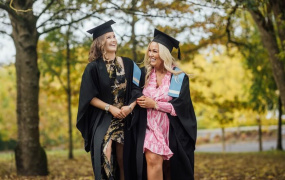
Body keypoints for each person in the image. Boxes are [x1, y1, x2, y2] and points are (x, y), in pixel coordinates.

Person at [76, 20, 142, 180]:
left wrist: (130, 107)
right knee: (105, 152)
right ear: (100, 43)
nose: (113, 40)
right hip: (104, 118)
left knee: (123, 159)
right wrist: (110, 108)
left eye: (114, 36)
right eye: (108, 37)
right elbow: (88, 96)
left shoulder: (129, 64)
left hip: (126, 117)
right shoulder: (93, 68)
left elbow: (138, 89)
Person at [128, 29, 197, 180]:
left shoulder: (179, 78)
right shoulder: (142, 74)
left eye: (155, 51)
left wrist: (155, 104)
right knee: (153, 159)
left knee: (170, 170)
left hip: (171, 129)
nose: (150, 54)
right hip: (148, 126)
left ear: (164, 54)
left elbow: (180, 108)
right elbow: (133, 92)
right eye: (149, 51)